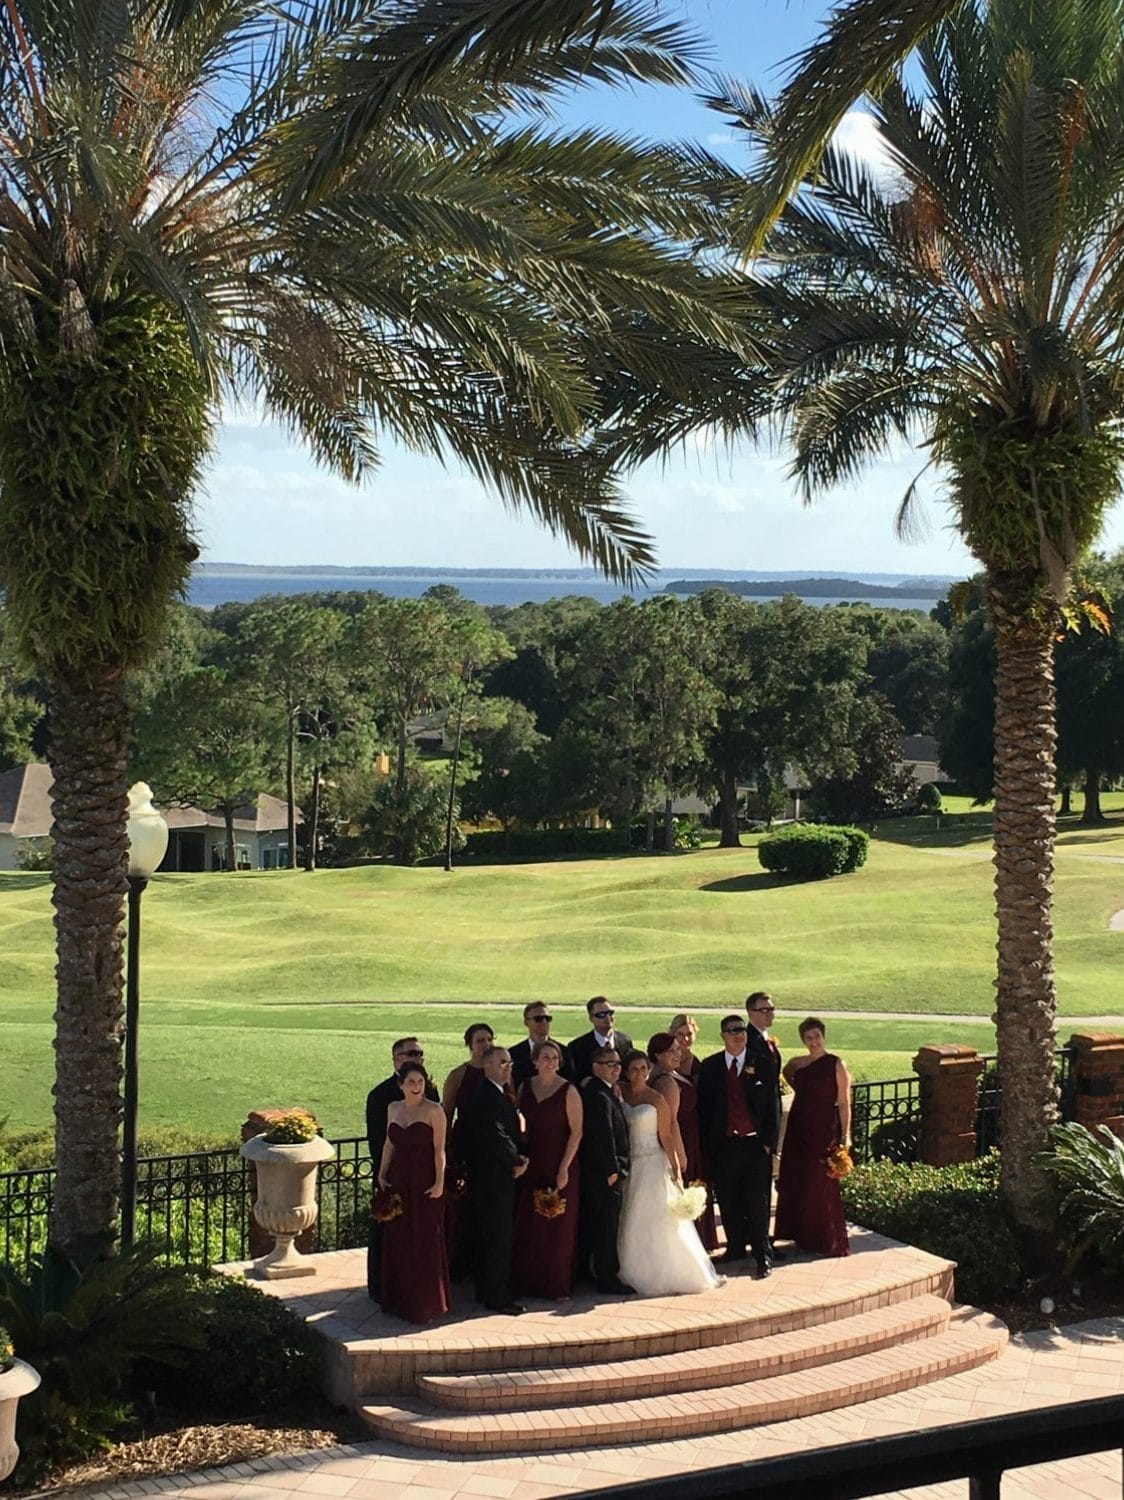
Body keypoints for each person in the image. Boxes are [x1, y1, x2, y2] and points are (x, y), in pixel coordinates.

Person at [617, 1051, 721, 1296]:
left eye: (643, 1068)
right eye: (634, 1068)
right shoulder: (621, 1092)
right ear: (626, 1071)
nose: (639, 1073)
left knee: (654, 1216)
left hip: (652, 1162)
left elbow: (666, 1134)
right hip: (628, 1162)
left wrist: (676, 1167)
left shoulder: (656, 1099)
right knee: (628, 1216)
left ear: (649, 1070)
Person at [697, 1014, 779, 1278]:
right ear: (722, 1035)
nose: (738, 1035)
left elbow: (773, 1107)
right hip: (725, 1145)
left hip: (755, 1145)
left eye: (741, 1030)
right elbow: (704, 1110)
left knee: (758, 1201)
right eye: (732, 1031)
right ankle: (734, 1248)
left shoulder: (763, 1064)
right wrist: (711, 1145)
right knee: (729, 1199)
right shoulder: (710, 1067)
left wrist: (769, 1144)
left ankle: (762, 1254)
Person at [365, 1036, 439, 1299]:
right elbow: (379, 1141)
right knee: (386, 1229)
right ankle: (380, 1285)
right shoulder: (380, 1096)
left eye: (420, 1054)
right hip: (394, 1175)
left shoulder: (429, 1091)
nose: (417, 1058)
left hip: (422, 1174)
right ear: (396, 1060)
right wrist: (384, 1176)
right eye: (411, 1054)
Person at [377, 1061, 450, 1323]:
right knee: (399, 1238)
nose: (417, 1086)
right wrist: (382, 1173)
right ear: (401, 1085)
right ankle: (398, 1297)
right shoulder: (393, 1108)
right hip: (399, 1180)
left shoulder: (434, 1111)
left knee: (424, 1239)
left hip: (423, 1181)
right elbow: (389, 1143)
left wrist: (440, 1182)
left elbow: (439, 1150)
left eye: (420, 1081)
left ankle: (425, 1304)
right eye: (411, 1082)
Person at [775, 1017, 852, 1258]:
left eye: (817, 1036)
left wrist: (845, 1135)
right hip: (799, 1126)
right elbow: (786, 1073)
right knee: (799, 1178)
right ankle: (801, 1234)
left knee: (822, 1181)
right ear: (803, 1040)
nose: (813, 1041)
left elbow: (844, 1102)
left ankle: (825, 1238)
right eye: (808, 1038)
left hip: (824, 1128)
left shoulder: (835, 1064)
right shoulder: (798, 1063)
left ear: (824, 1036)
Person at [512, 1039, 582, 1298]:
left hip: (560, 1161)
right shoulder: (525, 1087)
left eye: (554, 1057)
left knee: (557, 1227)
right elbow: (520, 1123)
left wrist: (564, 1168)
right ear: (535, 1061)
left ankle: (555, 1284)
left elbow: (577, 1132)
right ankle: (527, 1281)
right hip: (533, 1161)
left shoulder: (569, 1091)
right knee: (529, 1224)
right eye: (545, 1057)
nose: (550, 1062)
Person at [464, 1045, 528, 1314]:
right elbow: (496, 1136)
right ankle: (497, 1295)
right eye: (501, 1062)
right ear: (487, 1065)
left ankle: (487, 1288)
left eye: (509, 1062)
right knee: (497, 1236)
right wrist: (517, 1161)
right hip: (494, 1178)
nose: (507, 1066)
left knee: (491, 1234)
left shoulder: (498, 1093)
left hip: (492, 1177)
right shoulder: (487, 1096)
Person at [649, 1030, 718, 1253]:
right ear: (658, 1055)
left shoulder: (672, 1073)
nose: (677, 1054)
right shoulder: (665, 1081)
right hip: (683, 1139)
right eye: (671, 1051)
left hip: (692, 1135)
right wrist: (681, 1154)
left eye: (678, 1049)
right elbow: (671, 1123)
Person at [441, 1021, 494, 1277]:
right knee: (464, 1208)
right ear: (470, 1045)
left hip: (493, 1149)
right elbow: (447, 1113)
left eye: (489, 1040)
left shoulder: (500, 1072)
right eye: (480, 1041)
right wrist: (448, 1150)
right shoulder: (458, 1075)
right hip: (466, 1147)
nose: (486, 1045)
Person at [578, 1048, 633, 1293]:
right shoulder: (598, 1095)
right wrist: (613, 1170)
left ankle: (597, 1272)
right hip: (604, 1175)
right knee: (605, 1228)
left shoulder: (606, 1091)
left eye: (618, 1064)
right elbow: (602, 1136)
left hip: (603, 1173)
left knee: (603, 1225)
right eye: (609, 1064)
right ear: (596, 1066)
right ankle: (607, 1277)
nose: (616, 1068)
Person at [569, 997, 633, 1084]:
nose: (608, 1017)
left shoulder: (625, 1041)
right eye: (601, 1015)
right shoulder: (577, 1047)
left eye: (610, 1013)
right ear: (591, 1018)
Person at [510, 1003, 573, 1090]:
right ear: (526, 1022)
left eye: (547, 1019)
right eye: (538, 1019)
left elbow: (570, 1082)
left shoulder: (563, 1051)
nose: (544, 1022)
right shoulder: (514, 1053)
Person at [669, 1013, 702, 1081]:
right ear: (672, 1033)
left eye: (689, 1034)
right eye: (680, 1034)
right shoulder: (661, 1058)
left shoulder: (696, 1066)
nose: (686, 1039)